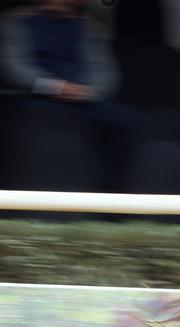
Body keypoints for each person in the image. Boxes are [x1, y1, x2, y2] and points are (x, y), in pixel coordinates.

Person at [0, 0, 132, 191]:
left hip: (85, 97)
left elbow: (106, 71)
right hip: (35, 95)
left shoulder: (90, 27)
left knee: (128, 123)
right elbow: (15, 67)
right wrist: (56, 87)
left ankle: (111, 189)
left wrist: (89, 92)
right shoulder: (17, 22)